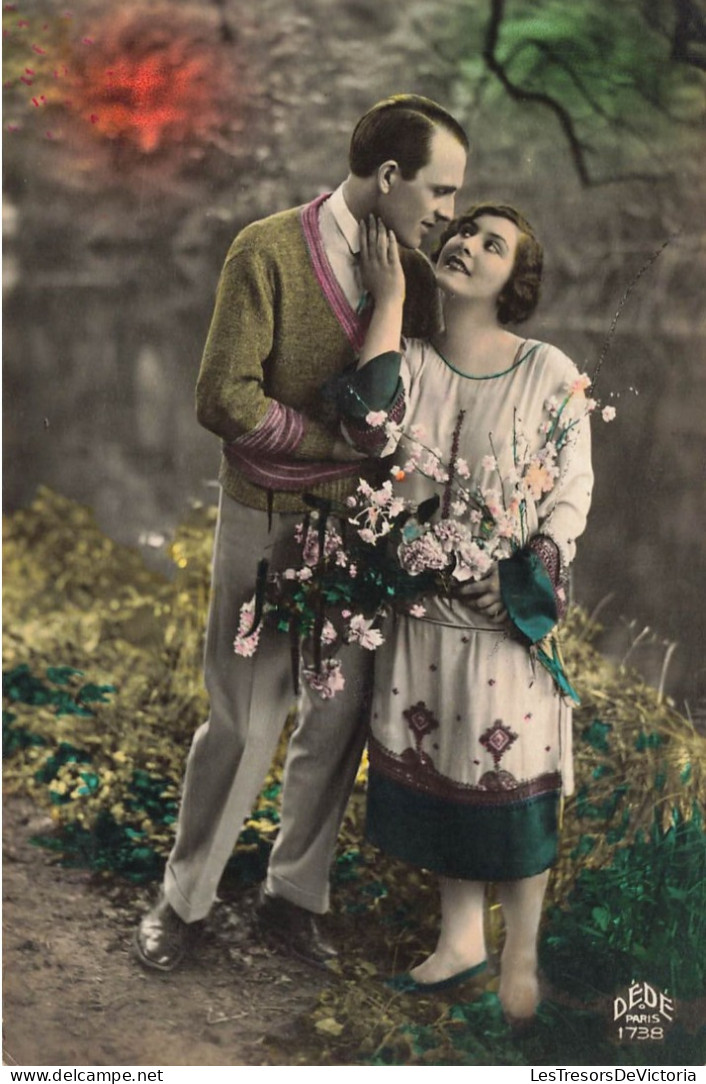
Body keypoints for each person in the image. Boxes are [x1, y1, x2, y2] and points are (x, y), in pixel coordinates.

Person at [134, 95, 469, 972]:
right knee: (246, 719)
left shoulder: (419, 283)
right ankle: (186, 900)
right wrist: (335, 449)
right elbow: (224, 399)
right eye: (440, 190)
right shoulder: (269, 248)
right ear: (389, 176)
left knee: (340, 716)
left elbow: (398, 427)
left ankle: (293, 899)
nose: (447, 212)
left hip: (360, 534)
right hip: (265, 517)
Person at [337, 205, 593, 1021]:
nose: (467, 246)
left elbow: (571, 493)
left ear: (514, 279)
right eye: (464, 232)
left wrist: (525, 575)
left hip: (502, 619)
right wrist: (384, 300)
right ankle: (460, 944)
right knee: (447, 771)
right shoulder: (410, 359)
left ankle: (520, 961)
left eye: (493, 244)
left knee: (511, 781)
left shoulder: (548, 370)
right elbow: (369, 425)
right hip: (421, 618)